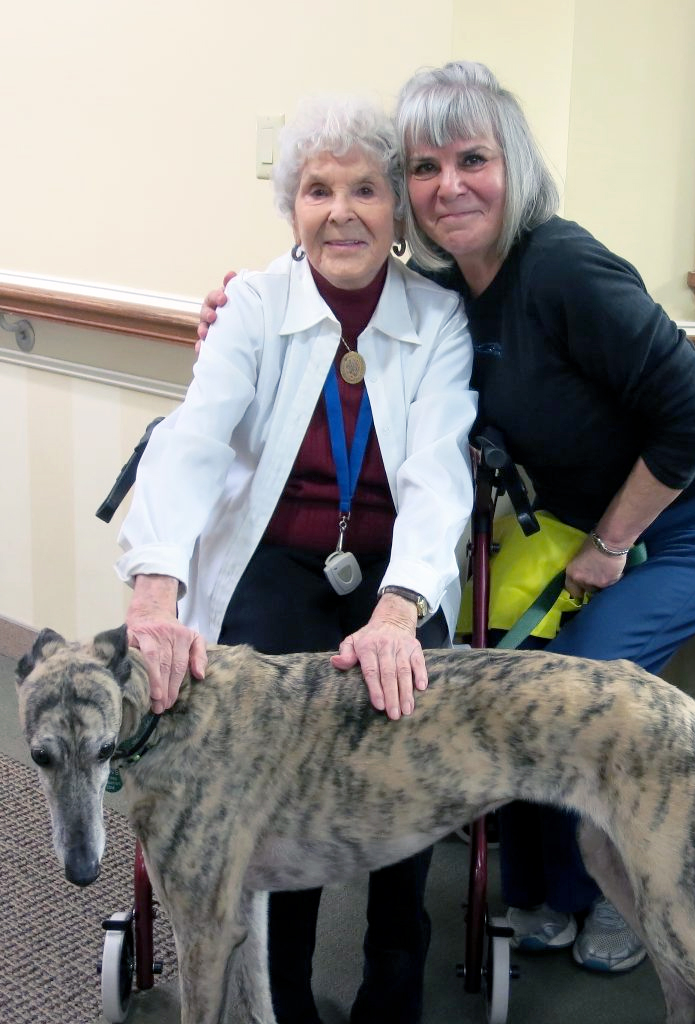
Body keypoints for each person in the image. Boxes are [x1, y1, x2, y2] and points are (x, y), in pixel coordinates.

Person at [200, 61, 695, 977]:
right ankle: (541, 891)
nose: (448, 185)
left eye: (474, 158)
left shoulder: (564, 266)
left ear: (516, 166)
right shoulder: (454, 277)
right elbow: (342, 289)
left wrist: (611, 545)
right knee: (518, 672)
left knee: (580, 683)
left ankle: (624, 897)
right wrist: (238, 302)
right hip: (595, 513)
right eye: (425, 167)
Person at [117, 95, 477, 1024]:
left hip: (393, 574)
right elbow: (193, 441)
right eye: (318, 189)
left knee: (405, 766)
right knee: (271, 778)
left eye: (365, 188)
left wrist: (398, 613)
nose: (341, 211)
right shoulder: (251, 305)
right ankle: (280, 999)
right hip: (273, 566)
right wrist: (154, 592)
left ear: (398, 209)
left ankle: (391, 993)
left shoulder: (436, 317)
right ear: (292, 208)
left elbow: (440, 476)